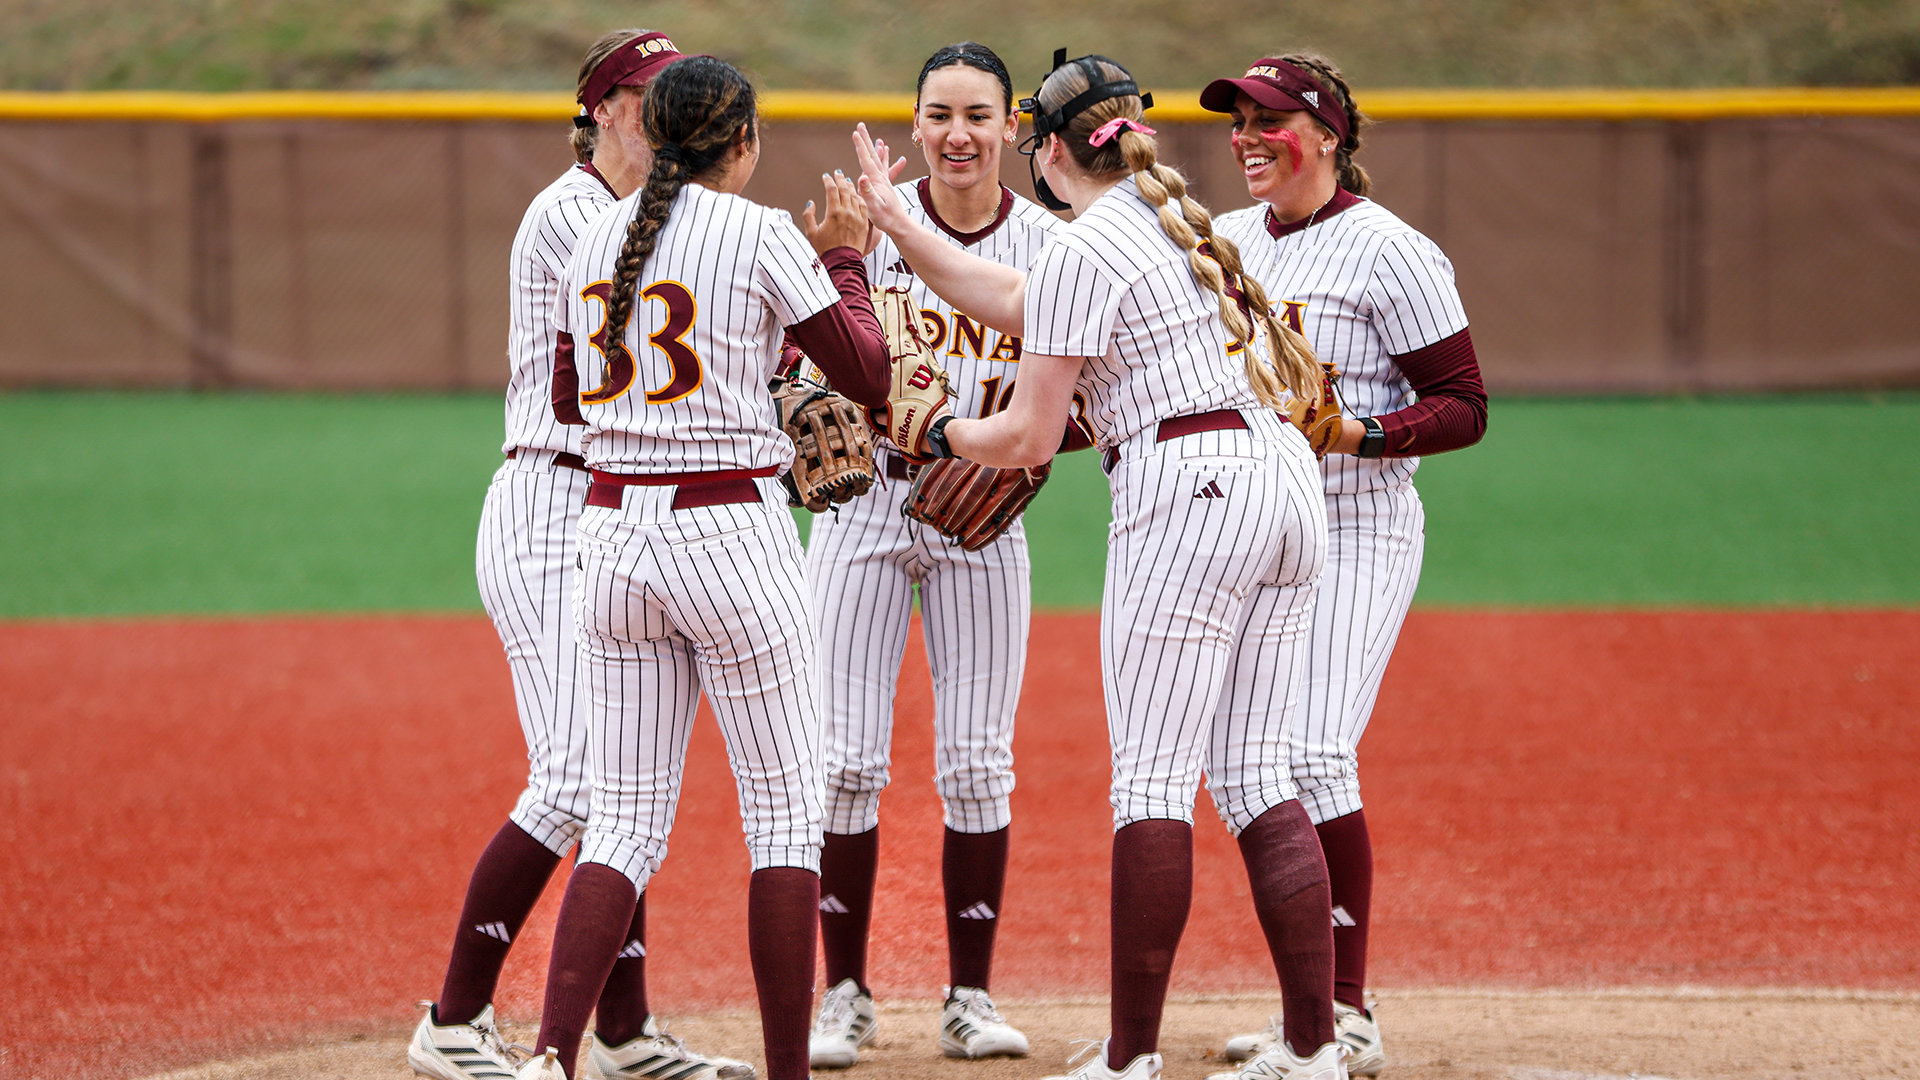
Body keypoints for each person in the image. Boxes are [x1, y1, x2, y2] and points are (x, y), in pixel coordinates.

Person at [851, 51, 1347, 1080]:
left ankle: (1130, 1056)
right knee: (1260, 771)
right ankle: (1313, 1047)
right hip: (1287, 485)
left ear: (1044, 153)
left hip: (1191, 489)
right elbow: (1013, 294)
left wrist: (940, 432)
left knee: (1154, 783)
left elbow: (1028, 436)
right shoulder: (1184, 225)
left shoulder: (1084, 247)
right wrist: (901, 232)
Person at [513, 54, 894, 1080]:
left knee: (625, 821)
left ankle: (550, 1058)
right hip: (728, 531)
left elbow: (564, 398)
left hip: (610, 538)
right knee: (782, 816)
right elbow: (865, 368)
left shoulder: (596, 231)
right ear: (743, 142)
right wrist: (849, 260)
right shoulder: (764, 231)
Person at [411, 29, 749, 1080]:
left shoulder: (670, 221)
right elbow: (604, 391)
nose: (657, 113)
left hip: (608, 505)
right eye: (641, 97)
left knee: (626, 782)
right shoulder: (572, 216)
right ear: (598, 111)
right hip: (555, 500)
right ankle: (455, 1019)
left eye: (668, 96)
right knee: (576, 776)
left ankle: (623, 1032)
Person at [1199, 53, 1489, 1080]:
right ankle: (1307, 1013)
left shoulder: (1392, 251)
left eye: (1267, 120)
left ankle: (1345, 1016)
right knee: (1242, 766)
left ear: (1326, 134)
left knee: (1312, 750)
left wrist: (1358, 432)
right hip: (1245, 533)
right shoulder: (1222, 241)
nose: (1245, 138)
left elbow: (1463, 404)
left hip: (1357, 524)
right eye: (1238, 122)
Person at [802, 41, 1073, 1069]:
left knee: (977, 761)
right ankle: (843, 995)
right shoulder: (864, 229)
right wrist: (817, 405)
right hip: (865, 506)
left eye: (978, 115)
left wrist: (1026, 453)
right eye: (939, 114)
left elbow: (1088, 400)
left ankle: (968, 995)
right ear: (914, 125)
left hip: (986, 519)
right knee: (841, 763)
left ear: (1012, 128)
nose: (958, 133)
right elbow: (803, 361)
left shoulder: (1051, 245)